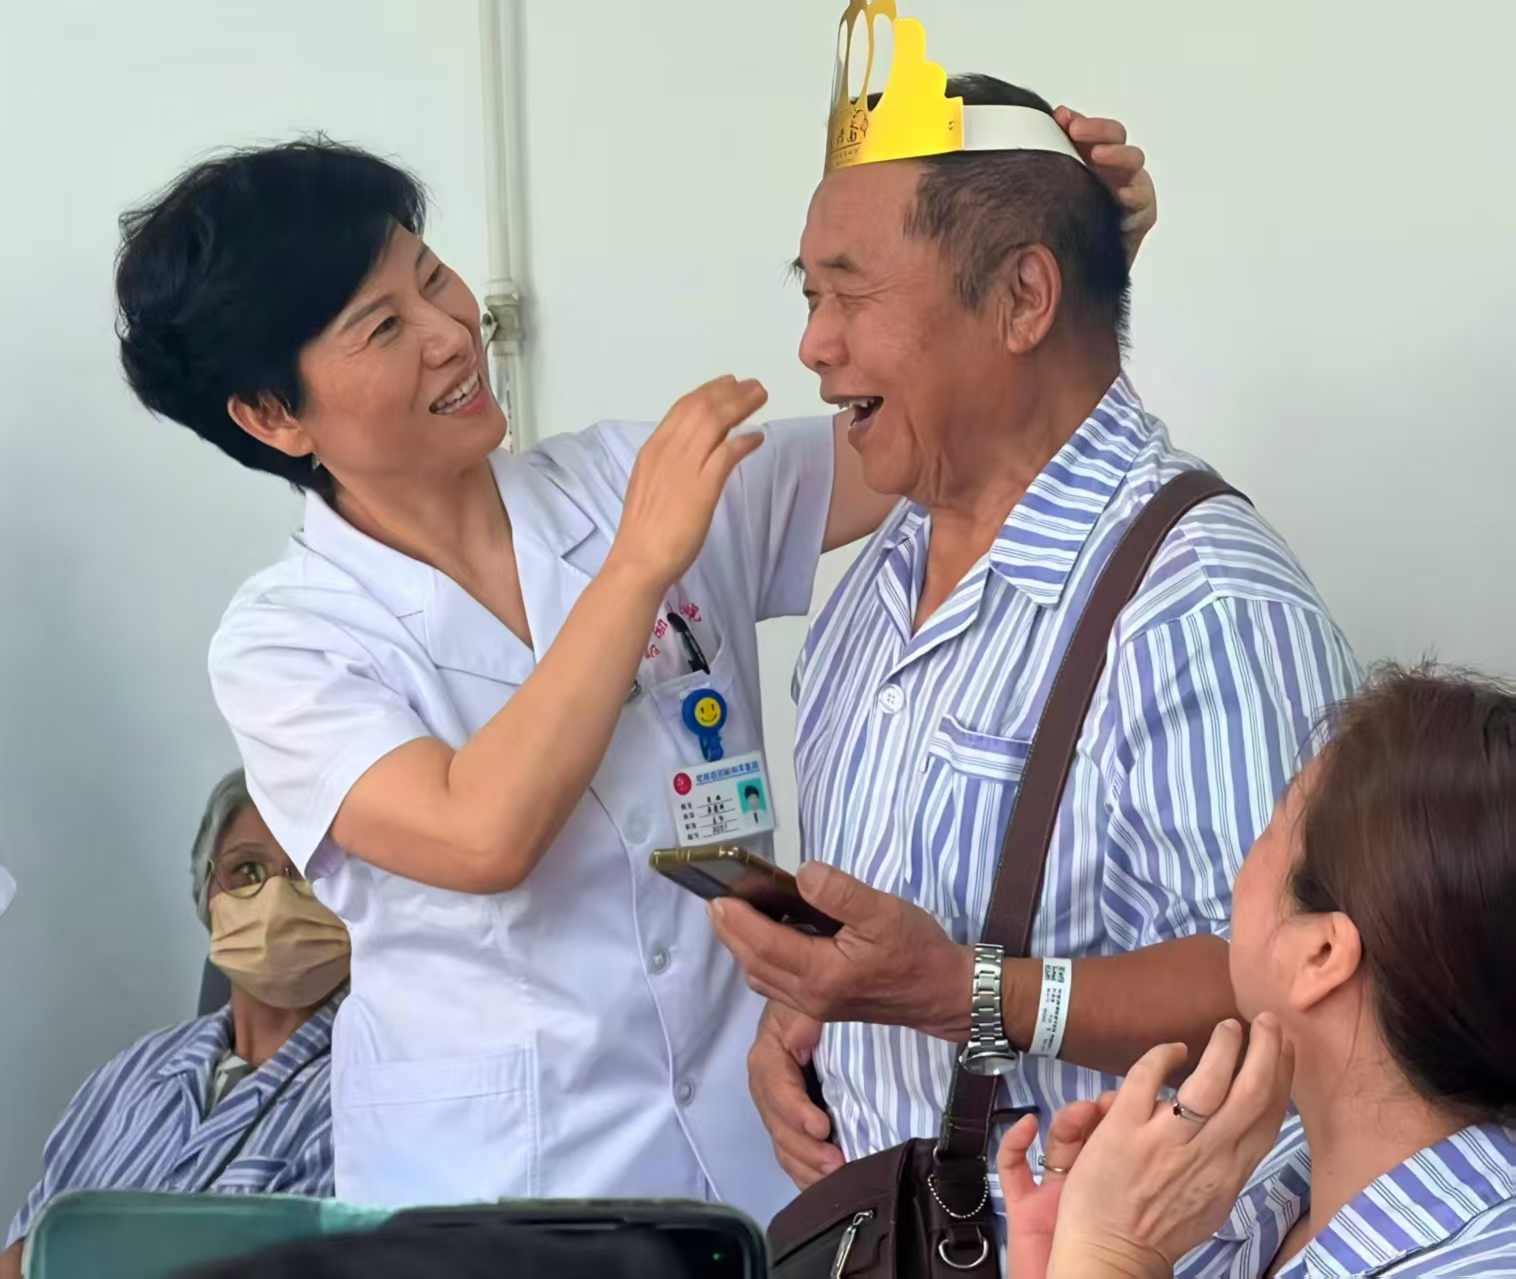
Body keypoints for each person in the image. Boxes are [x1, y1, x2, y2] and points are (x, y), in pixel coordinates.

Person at [114, 114, 1150, 1217]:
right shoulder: (289, 641)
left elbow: (944, 428)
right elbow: (479, 832)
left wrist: (1053, 281)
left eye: (433, 278)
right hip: (501, 1197)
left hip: (753, 1162)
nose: (452, 332)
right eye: (383, 326)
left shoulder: (625, 477)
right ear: (274, 416)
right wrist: (639, 563)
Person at [709, 8, 1360, 1201]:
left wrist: (963, 992)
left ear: (1022, 298)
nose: (812, 344)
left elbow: (1296, 985)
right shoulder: (877, 578)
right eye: (808, 293)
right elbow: (894, 921)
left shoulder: (1200, 601)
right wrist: (807, 1021)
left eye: (848, 292)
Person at [996, 666, 1516, 1278]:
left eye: (1271, 828)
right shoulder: (1274, 1173)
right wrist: (1061, 1258)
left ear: (1321, 955)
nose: (1245, 867)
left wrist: (1109, 1255)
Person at [2, 771, 346, 1279]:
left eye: (307, 873)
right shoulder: (130, 1073)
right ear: (207, 894)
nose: (276, 898)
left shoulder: (364, 1092)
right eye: (248, 871)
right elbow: (22, 1252)